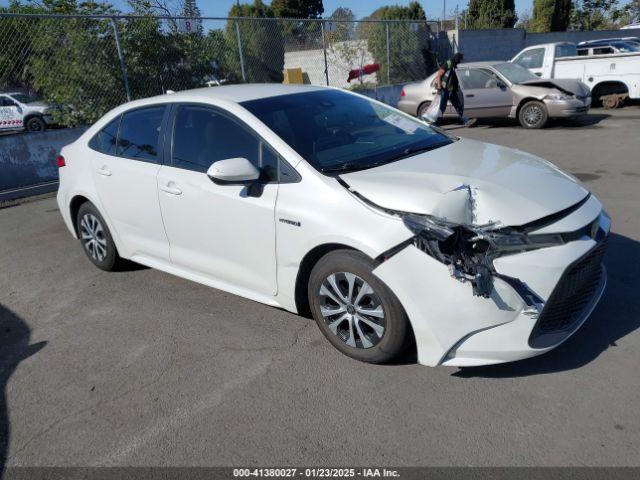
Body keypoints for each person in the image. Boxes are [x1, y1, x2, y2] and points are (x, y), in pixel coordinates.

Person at [433, 52, 476, 127]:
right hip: (445, 90)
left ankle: (466, 121)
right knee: (442, 107)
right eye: (460, 59)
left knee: (458, 105)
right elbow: (439, 75)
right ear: (457, 58)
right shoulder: (448, 63)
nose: (460, 61)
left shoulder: (455, 65)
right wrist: (439, 88)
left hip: (452, 90)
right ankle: (436, 123)